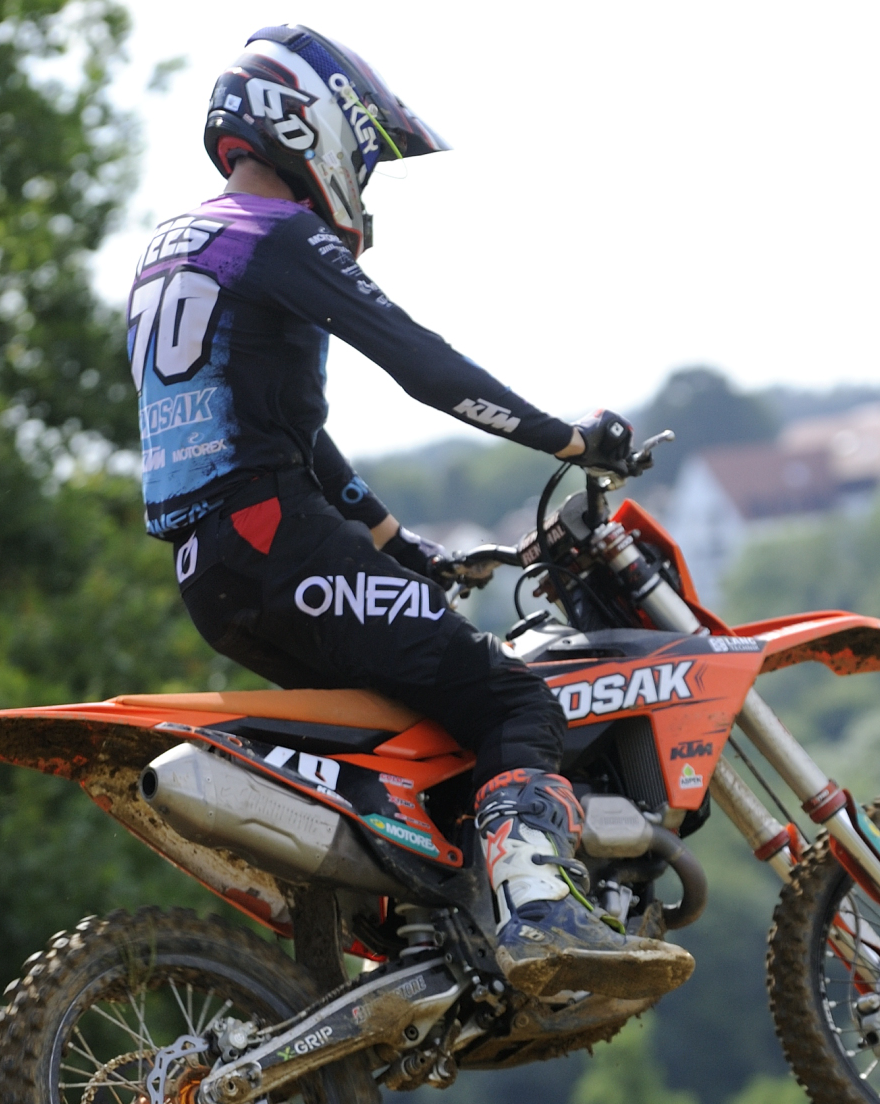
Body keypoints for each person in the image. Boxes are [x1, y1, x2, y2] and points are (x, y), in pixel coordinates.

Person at [126, 24, 689, 1000]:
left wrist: (397, 546)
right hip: (283, 547)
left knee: (416, 725)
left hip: (216, 574)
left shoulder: (172, 252)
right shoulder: (278, 234)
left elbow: (282, 433)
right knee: (515, 700)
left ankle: (425, 937)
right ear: (310, 123)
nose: (364, 181)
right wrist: (568, 439)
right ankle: (537, 907)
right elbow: (420, 363)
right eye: (366, 156)